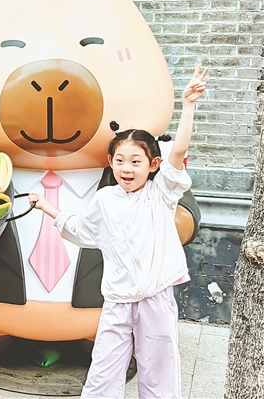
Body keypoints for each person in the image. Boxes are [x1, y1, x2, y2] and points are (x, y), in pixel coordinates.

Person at [28, 65, 209, 399]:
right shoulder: (105, 199)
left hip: (155, 298)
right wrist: (45, 206)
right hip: (116, 301)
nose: (127, 168)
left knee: (159, 373)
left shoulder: (161, 193)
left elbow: (179, 151)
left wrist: (189, 105)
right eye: (120, 160)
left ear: (153, 165)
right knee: (103, 372)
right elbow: (80, 228)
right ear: (111, 161)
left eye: (136, 161)